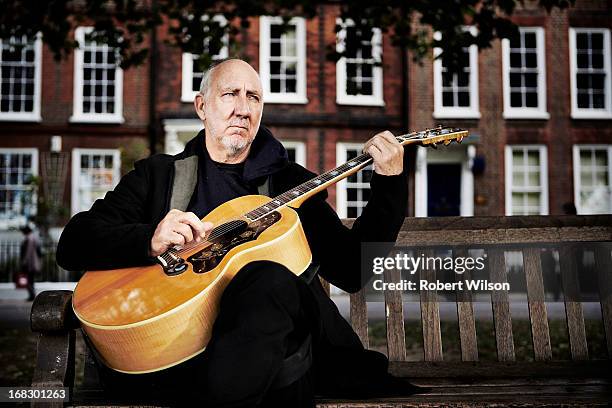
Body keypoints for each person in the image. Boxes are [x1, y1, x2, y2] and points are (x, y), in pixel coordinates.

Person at [56, 59, 422, 407]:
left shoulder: (289, 184)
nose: (243, 109)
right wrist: (148, 238)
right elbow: (73, 243)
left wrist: (389, 184)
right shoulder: (158, 177)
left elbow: (352, 270)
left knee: (267, 279)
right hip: (171, 359)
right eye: (230, 93)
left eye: (254, 97)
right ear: (202, 106)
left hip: (281, 353)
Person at [20, 224, 41, 301]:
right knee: (30, 279)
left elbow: (28, 252)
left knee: (29, 279)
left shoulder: (29, 238)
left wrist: (24, 262)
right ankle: (32, 295)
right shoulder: (34, 237)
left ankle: (32, 295)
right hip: (32, 263)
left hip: (30, 263)